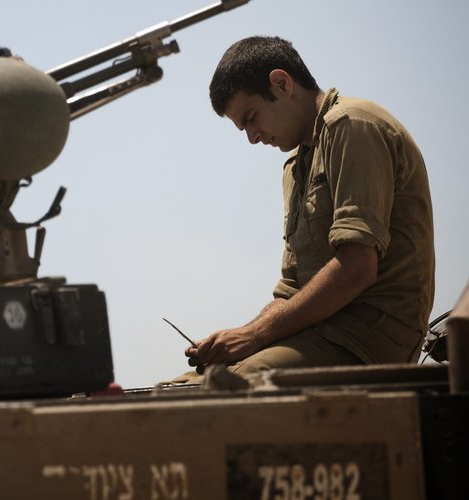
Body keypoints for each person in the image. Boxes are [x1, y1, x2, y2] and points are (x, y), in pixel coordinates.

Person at [182, 36, 435, 379]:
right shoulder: (296, 167)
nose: (252, 137)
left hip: (364, 344)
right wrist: (234, 340)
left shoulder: (352, 125)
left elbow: (356, 267)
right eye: (244, 128)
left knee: (218, 394)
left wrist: (254, 336)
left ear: (282, 83)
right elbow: (289, 291)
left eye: (252, 118)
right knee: (169, 391)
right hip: (314, 336)